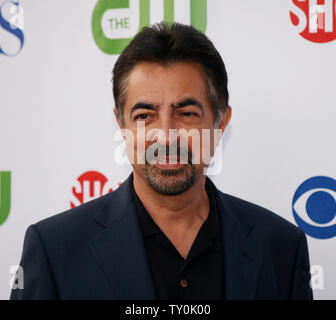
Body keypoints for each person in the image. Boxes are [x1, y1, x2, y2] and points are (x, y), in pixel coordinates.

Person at [10, 22, 313, 300]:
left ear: (220, 123)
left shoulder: (281, 248)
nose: (166, 137)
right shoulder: (54, 251)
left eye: (186, 114)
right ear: (122, 125)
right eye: (145, 116)